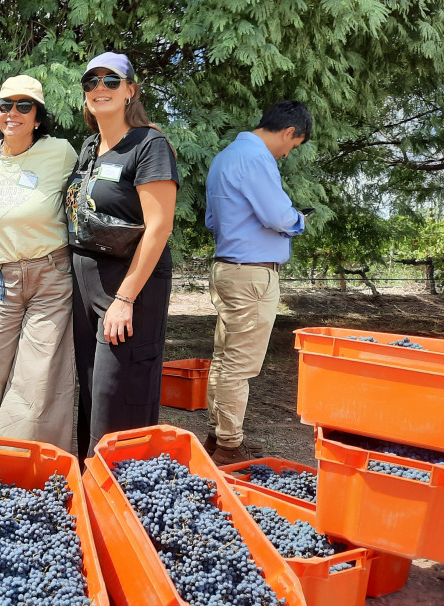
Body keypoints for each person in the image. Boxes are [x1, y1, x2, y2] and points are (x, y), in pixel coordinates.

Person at [67, 52, 179, 459]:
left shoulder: (150, 145)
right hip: (86, 285)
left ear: (131, 90)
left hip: (129, 286)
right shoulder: (90, 146)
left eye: (111, 81)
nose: (100, 88)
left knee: (121, 394)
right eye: (91, 81)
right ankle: (91, 481)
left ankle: (122, 491)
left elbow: (159, 227)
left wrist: (126, 298)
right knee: (94, 391)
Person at [0, 75, 78, 451]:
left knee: (36, 374)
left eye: (24, 105)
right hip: (2, 279)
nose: (12, 112)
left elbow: (98, 172)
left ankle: (19, 463)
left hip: (51, 275)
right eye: (5, 105)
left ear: (38, 116)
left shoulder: (61, 152)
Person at [204, 100, 311, 465]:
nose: (285, 155)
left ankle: (217, 435)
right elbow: (277, 215)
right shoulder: (256, 157)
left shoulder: (224, 157)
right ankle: (229, 447)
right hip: (252, 273)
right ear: (288, 132)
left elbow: (211, 220)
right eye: (292, 147)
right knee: (239, 365)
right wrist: (298, 219)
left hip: (228, 268)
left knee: (224, 359)